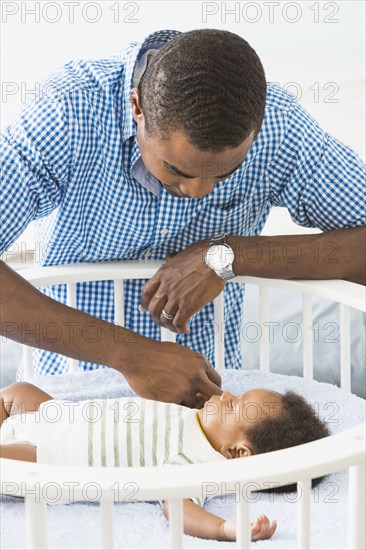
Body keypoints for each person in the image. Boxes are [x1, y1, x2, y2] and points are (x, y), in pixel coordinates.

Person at [1, 29, 365, 408]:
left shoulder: (281, 127)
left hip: (207, 406)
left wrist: (228, 256)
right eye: (177, 169)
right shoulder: (68, 111)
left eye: (224, 174)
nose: (199, 191)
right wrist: (131, 354)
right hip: (62, 395)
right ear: (137, 107)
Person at [0, 380, 330, 542]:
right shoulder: (198, 420)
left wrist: (226, 529)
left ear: (237, 452)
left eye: (233, 406)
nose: (227, 396)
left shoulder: (197, 462)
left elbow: (178, 507)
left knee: (9, 462)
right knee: (17, 392)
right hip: (61, 416)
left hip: (50, 457)